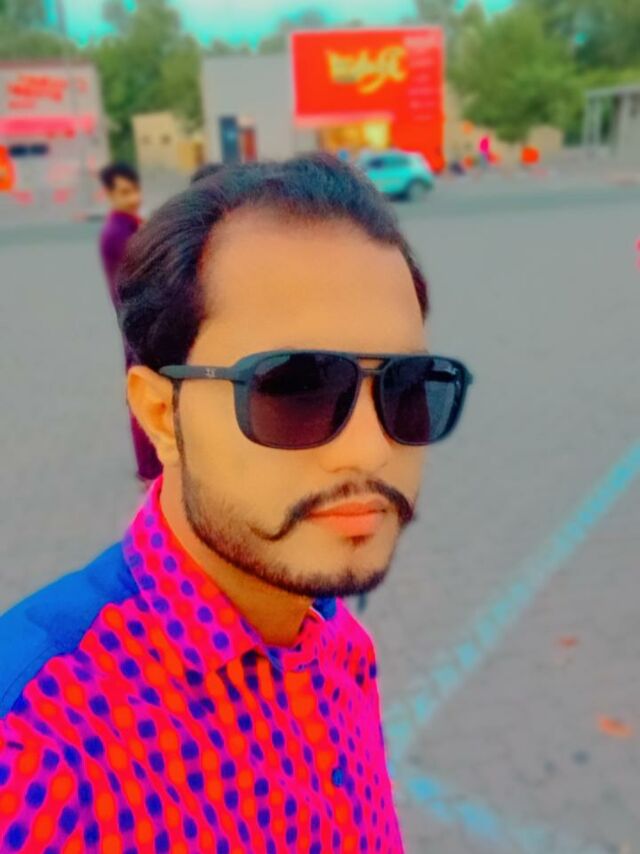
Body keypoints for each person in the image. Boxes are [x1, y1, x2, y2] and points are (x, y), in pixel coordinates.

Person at [0, 154, 473, 852]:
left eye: (408, 387)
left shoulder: (338, 644)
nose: (372, 451)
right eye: (296, 386)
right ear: (160, 416)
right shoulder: (38, 755)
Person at [98, 162, 162, 486]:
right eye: (124, 192)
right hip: (136, 319)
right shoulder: (117, 234)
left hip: (143, 317)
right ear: (109, 194)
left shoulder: (131, 225)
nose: (133, 198)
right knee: (144, 391)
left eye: (134, 190)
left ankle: (152, 464)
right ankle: (149, 470)